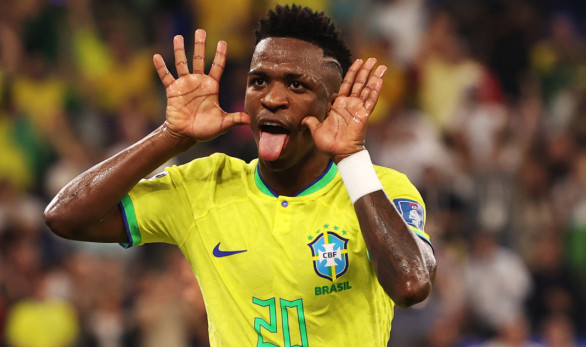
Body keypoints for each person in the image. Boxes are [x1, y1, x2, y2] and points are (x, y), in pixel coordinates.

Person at [45, 5, 436, 346]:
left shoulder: (377, 188)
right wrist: (170, 138)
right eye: (259, 81)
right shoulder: (204, 186)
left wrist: (351, 156)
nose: (271, 97)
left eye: (296, 85)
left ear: (331, 105)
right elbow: (65, 216)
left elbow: (411, 285)